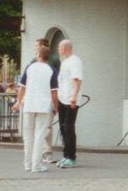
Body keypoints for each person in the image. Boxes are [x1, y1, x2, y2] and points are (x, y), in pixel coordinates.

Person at [12, 45, 58, 172]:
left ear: (38, 55)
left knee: (28, 136)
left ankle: (27, 164)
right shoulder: (51, 70)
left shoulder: (30, 68)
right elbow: (54, 92)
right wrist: (55, 107)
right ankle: (36, 165)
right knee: (39, 136)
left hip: (29, 105)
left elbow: (22, 88)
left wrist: (18, 102)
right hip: (43, 106)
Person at [56, 39, 84, 169]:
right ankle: (66, 155)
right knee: (63, 128)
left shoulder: (74, 61)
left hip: (70, 100)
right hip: (62, 98)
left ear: (66, 47)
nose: (58, 49)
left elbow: (77, 80)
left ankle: (71, 157)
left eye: (60, 47)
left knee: (69, 128)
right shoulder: (65, 62)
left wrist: (74, 96)